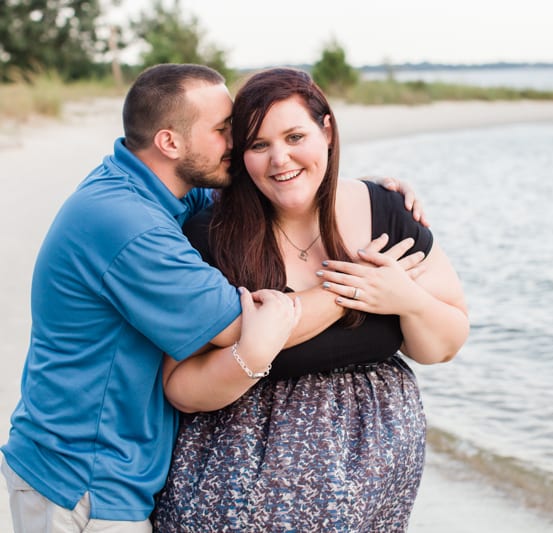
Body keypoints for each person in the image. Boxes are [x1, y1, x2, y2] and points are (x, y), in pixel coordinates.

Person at [0, 63, 427, 532]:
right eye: (225, 131)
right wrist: (364, 284)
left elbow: (266, 196)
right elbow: (247, 325)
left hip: (121, 462)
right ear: (170, 143)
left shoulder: (167, 191)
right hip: (82, 473)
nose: (236, 144)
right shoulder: (128, 223)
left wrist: (365, 194)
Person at [152, 67, 469, 532]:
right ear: (241, 155)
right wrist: (253, 352)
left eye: (295, 136)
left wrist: (408, 300)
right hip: (244, 488)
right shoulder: (212, 235)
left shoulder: (387, 210)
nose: (280, 159)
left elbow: (441, 345)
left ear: (326, 131)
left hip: (376, 487)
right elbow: (180, 386)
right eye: (259, 145)